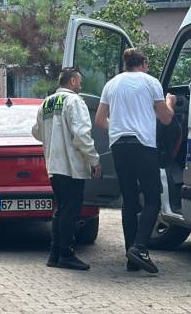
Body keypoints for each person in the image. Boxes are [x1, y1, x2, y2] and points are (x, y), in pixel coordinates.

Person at [94, 48, 176, 274]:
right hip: (143, 145)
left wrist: (118, 131)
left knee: (129, 200)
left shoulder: (111, 84)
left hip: (119, 146)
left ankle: (131, 258)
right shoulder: (151, 83)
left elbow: (100, 119)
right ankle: (140, 247)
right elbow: (166, 118)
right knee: (152, 199)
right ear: (144, 63)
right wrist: (170, 101)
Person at [32, 68, 102, 271]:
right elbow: (81, 135)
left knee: (61, 210)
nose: (81, 86)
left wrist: (53, 135)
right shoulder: (75, 102)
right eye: (79, 82)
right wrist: (94, 160)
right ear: (72, 81)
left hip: (53, 164)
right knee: (71, 211)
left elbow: (36, 132)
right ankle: (66, 254)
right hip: (71, 166)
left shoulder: (47, 102)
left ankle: (55, 254)